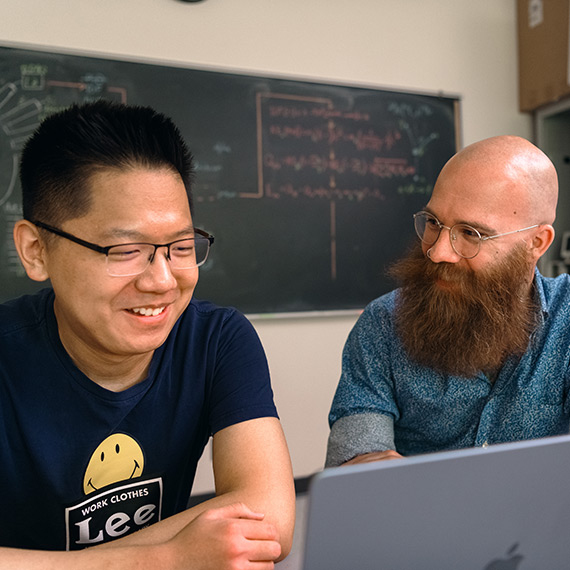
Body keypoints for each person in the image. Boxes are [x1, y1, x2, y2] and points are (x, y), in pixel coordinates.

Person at [0, 100, 295, 568]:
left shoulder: (216, 340)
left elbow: (267, 519)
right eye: (125, 250)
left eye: (180, 247)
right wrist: (164, 560)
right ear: (36, 251)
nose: (161, 280)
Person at [326, 135, 570, 468]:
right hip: (418, 517)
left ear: (536, 243)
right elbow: (355, 460)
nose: (437, 251)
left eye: (471, 233)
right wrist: (368, 466)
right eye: (433, 223)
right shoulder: (384, 324)